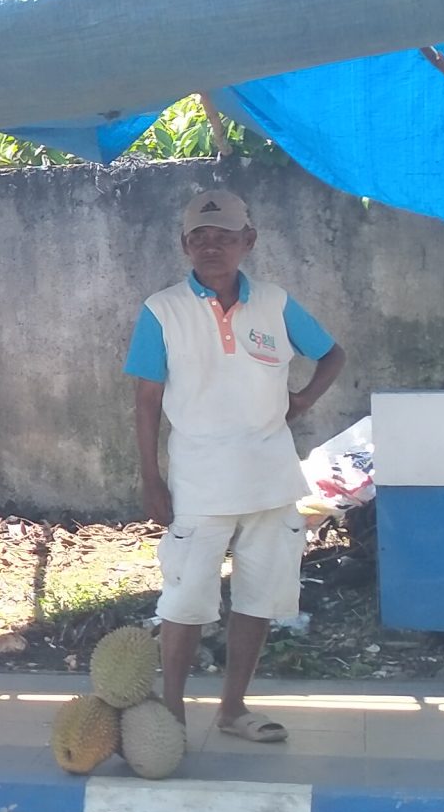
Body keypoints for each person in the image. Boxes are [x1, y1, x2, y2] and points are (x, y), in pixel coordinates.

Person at [123, 189, 345, 744]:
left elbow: (332, 353)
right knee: (186, 599)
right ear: (184, 245)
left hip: (271, 477)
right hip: (199, 480)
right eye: (200, 238)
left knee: (260, 597)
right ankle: (170, 715)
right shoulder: (161, 310)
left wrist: (302, 400)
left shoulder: (274, 302)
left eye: (224, 238)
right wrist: (151, 478)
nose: (212, 247)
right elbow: (146, 400)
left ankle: (233, 709)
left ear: (249, 241)